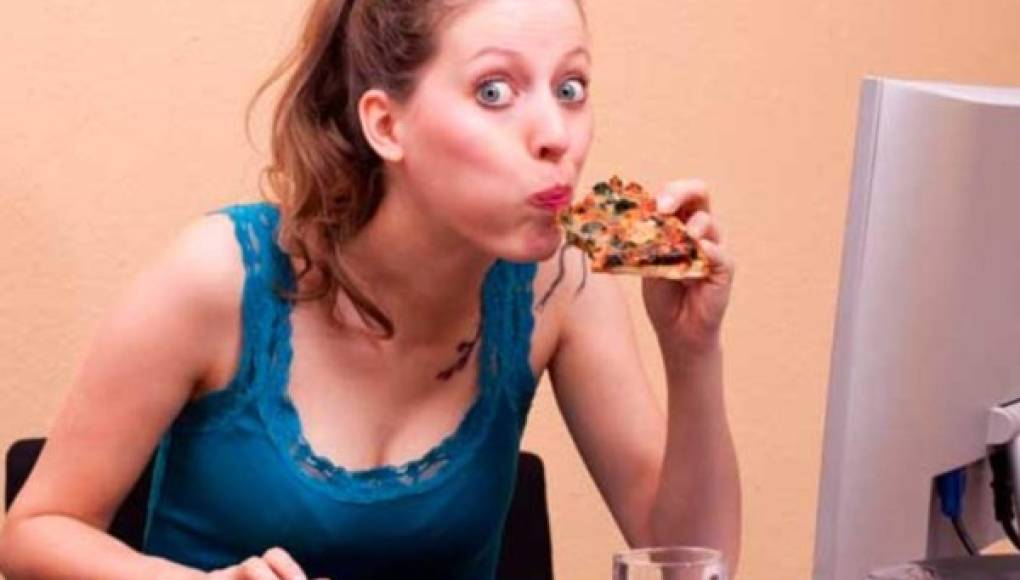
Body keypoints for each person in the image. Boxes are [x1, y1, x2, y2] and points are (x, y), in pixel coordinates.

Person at [0, 0, 741, 578]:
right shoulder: (217, 276)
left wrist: (692, 352)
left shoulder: (562, 287)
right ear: (387, 125)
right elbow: (33, 533)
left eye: (571, 88)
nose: (557, 134)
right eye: (494, 91)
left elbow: (692, 562)